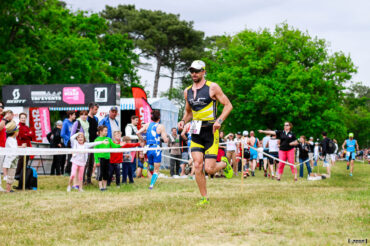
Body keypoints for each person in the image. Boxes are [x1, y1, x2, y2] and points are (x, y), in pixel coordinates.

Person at [177, 60, 233, 205]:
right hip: (196, 130)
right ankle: (204, 197)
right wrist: (183, 121)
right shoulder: (187, 91)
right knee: (197, 164)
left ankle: (225, 164)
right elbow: (189, 113)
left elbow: (228, 105)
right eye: (192, 71)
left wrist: (219, 121)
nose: (193, 74)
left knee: (209, 169)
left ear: (203, 71)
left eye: (196, 71)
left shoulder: (212, 87)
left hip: (211, 131)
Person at [137, 109, 169, 190]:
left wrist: (142, 140)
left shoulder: (147, 125)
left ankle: (146, 166)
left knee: (151, 166)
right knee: (156, 169)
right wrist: (167, 139)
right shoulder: (161, 126)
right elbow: (165, 140)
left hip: (148, 148)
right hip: (156, 148)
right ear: (159, 118)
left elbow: (138, 132)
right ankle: (151, 185)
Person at [94, 125, 121, 191]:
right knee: (100, 173)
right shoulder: (97, 140)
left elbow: (114, 146)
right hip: (100, 158)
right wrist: (97, 161)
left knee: (106, 173)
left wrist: (120, 145)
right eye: (105, 131)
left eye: (107, 131)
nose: (106, 132)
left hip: (107, 158)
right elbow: (95, 151)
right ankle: (100, 187)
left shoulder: (108, 139)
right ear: (100, 131)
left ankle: (105, 186)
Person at [3, 121, 22, 192]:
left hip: (12, 160)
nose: (18, 132)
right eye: (18, 130)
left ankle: (9, 189)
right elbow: (13, 151)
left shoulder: (12, 140)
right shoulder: (11, 140)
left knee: (11, 175)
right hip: (11, 160)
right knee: (10, 175)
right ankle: (8, 190)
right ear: (14, 132)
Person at [15, 113, 35, 177]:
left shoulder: (27, 127)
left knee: (26, 160)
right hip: (21, 146)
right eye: (22, 118)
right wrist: (28, 134)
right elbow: (21, 135)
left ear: (26, 119)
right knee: (21, 160)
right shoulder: (18, 126)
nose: (23, 119)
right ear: (19, 119)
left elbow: (32, 135)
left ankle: (23, 174)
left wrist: (27, 134)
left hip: (28, 146)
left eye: (24, 118)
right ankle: (17, 174)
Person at [85, 102, 99, 184]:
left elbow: (96, 130)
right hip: (87, 143)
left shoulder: (96, 119)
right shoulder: (86, 118)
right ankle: (83, 180)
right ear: (91, 109)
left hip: (94, 143)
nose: (96, 111)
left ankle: (89, 179)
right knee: (85, 162)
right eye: (95, 109)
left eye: (97, 109)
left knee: (91, 162)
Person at [61, 111, 76, 176]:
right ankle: (67, 172)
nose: (75, 116)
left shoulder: (72, 123)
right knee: (70, 157)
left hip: (73, 143)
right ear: (70, 115)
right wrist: (69, 139)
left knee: (73, 157)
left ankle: (70, 171)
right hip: (68, 143)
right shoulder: (65, 123)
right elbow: (62, 134)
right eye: (74, 115)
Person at [0, 102, 10, 192]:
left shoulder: (2, 118)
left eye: (2, 106)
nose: (1, 108)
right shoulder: (2, 119)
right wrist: (4, 119)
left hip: (2, 145)